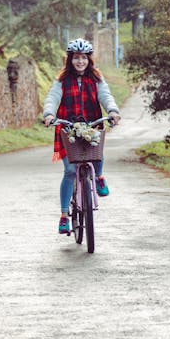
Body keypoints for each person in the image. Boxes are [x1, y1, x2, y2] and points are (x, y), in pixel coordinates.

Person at [43, 38, 121, 234]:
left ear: (89, 60)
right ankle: (63, 217)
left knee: (97, 151)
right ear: (70, 60)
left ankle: (99, 176)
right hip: (68, 127)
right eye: (76, 58)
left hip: (92, 123)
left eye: (84, 58)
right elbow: (53, 98)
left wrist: (112, 110)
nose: (80, 62)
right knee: (70, 171)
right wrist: (49, 114)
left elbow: (106, 96)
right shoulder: (62, 80)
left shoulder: (96, 78)